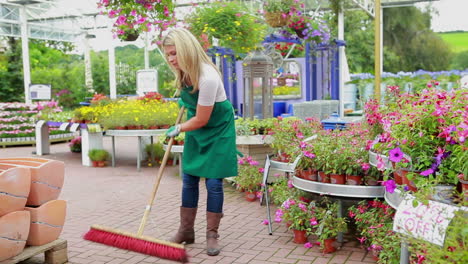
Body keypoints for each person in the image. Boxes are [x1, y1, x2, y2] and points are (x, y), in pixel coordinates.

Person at [162, 28, 238, 256]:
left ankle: (212, 235)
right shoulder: (183, 73)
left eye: (175, 53)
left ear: (187, 51)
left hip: (217, 129)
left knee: (213, 183)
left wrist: (179, 128)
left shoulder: (208, 77)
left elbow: (203, 119)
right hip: (197, 127)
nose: (171, 59)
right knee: (189, 179)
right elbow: (194, 108)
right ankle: (186, 231)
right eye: (168, 55)